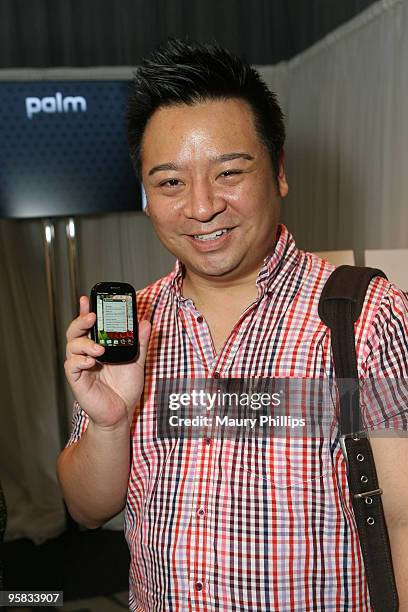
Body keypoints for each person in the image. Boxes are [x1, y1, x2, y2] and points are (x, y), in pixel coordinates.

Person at [57, 38, 408, 611]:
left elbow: (404, 520)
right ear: (146, 197)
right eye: (170, 182)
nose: (201, 206)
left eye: (229, 173)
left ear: (279, 172)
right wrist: (109, 423)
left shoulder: (365, 318)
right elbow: (87, 508)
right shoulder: (132, 325)